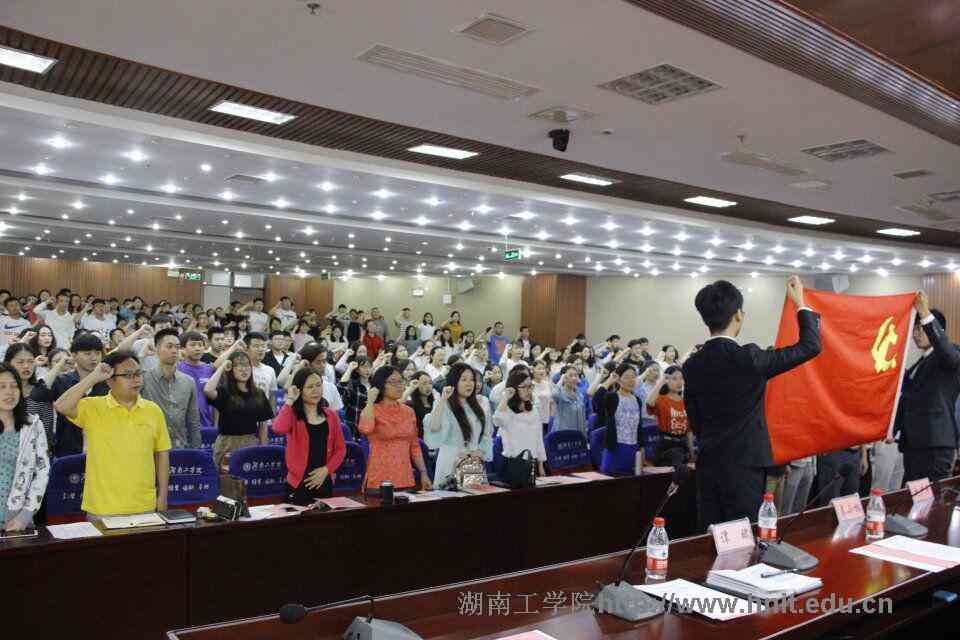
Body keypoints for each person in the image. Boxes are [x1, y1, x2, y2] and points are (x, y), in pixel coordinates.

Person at [683, 276, 821, 529]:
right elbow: (810, 345)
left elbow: (695, 418)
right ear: (738, 315)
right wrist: (799, 303)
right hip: (746, 465)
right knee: (743, 535)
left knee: (710, 535)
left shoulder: (692, 365)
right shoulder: (749, 358)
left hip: (709, 463)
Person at [53, 352, 170, 518]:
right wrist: (93, 377)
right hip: (102, 508)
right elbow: (61, 405)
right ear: (109, 380)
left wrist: (162, 497)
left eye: (138, 374)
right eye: (128, 375)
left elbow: (162, 454)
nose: (136, 380)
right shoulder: (93, 407)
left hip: (144, 505)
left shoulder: (153, 410)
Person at [893, 292, 960, 483]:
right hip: (913, 446)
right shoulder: (918, 364)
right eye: (914, 330)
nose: (915, 334)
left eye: (920, 329)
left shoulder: (951, 354)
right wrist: (892, 429)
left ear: (937, 330)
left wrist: (924, 313)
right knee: (912, 498)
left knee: (932, 499)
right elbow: (905, 400)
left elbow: (947, 352)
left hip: (935, 446)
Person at [274, 367, 347, 504]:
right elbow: (278, 428)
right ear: (299, 390)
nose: (316, 390)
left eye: (318, 385)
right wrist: (290, 400)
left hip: (323, 481)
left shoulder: (331, 415)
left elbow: (340, 449)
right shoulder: (293, 415)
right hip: (298, 484)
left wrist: (326, 470)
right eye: (310, 387)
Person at [31, 333, 111, 457]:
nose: (94, 358)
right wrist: (60, 364)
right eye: (87, 353)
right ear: (74, 355)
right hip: (67, 450)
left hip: (102, 450)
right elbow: (38, 395)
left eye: (97, 353)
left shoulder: (107, 383)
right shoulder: (63, 381)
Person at [358, 366, 431, 492]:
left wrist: (423, 473)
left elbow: (414, 446)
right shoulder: (372, 409)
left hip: (405, 478)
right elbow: (366, 429)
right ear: (381, 385)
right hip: (379, 480)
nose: (399, 386)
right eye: (393, 382)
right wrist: (370, 402)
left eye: (401, 381)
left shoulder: (409, 412)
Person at [425, 362, 493, 487]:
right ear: (454, 382)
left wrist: (480, 452)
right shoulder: (444, 403)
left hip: (472, 462)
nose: (469, 384)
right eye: (464, 379)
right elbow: (434, 428)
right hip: (450, 462)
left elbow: (486, 434)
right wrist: (443, 399)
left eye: (472, 380)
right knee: (451, 496)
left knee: (473, 494)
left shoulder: (480, 404)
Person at [0, 363, 49, 531]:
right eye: (2, 387)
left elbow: (42, 471)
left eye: (14, 386)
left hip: (17, 519)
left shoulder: (32, 424)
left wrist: (25, 515)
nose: (9, 392)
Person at [203, 351, 274, 469]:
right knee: (226, 480)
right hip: (226, 444)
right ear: (231, 369)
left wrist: (263, 450)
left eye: (246, 365)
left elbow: (263, 426)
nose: (244, 369)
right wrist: (223, 366)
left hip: (250, 443)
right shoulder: (224, 391)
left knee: (249, 478)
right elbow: (208, 390)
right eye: (238, 366)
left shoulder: (259, 394)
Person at [140, 328, 201, 449]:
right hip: (150, 446)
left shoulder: (188, 381)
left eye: (177, 347)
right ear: (157, 349)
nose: (174, 351)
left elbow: (193, 420)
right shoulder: (144, 378)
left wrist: (196, 450)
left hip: (180, 445)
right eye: (169, 346)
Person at [3, 344, 56, 459]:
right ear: (8, 363)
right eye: (20, 362)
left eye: (30, 361)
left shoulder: (41, 393)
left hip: (34, 457)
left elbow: (46, 430)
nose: (26, 366)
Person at [493, 368, 546, 477]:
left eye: (530, 386)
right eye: (524, 387)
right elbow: (497, 421)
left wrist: (541, 466)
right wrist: (506, 397)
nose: (528, 390)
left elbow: (539, 439)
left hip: (532, 463)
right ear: (514, 388)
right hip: (513, 463)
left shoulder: (533, 410)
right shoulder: (507, 410)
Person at [644, 366, 695, 467]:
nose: (679, 382)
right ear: (667, 381)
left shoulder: (686, 402)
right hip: (666, 446)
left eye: (681, 378)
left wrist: (692, 453)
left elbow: (689, 431)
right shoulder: (661, 399)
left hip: (682, 446)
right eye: (674, 378)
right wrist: (661, 381)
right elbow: (649, 403)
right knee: (678, 459)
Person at [602, 363, 644, 475]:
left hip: (633, 449)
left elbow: (639, 426)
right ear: (618, 380)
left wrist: (641, 447)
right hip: (615, 449)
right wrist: (610, 381)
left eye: (633, 377)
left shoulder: (637, 400)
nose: (631, 380)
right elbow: (596, 399)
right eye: (626, 377)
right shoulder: (612, 397)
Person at [177, 331, 216, 429]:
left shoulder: (209, 369)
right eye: (193, 345)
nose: (197, 348)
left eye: (200, 345)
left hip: (208, 424)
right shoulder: (177, 369)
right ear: (183, 349)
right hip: (186, 427)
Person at [339, 356, 372, 436]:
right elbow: (341, 388)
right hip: (353, 424)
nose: (368, 370)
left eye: (369, 367)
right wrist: (350, 369)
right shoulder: (353, 384)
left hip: (369, 426)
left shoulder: (374, 386)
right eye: (364, 367)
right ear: (357, 370)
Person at [551, 365, 587, 435]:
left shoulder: (579, 395)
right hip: (562, 434)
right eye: (570, 375)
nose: (574, 378)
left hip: (577, 434)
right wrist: (561, 379)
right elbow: (554, 394)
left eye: (576, 375)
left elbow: (582, 418)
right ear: (564, 377)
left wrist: (583, 436)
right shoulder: (560, 393)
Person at [403, 371, 436, 438]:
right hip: (420, 440)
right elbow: (397, 405)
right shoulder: (410, 405)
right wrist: (411, 388)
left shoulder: (435, 403)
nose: (428, 386)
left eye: (430, 383)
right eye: (424, 383)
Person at [530, 361, 553, 433]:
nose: (542, 371)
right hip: (533, 420)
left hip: (546, 419)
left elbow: (551, 403)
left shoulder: (547, 384)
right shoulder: (529, 384)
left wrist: (551, 417)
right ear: (533, 370)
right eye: (539, 369)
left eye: (543, 369)